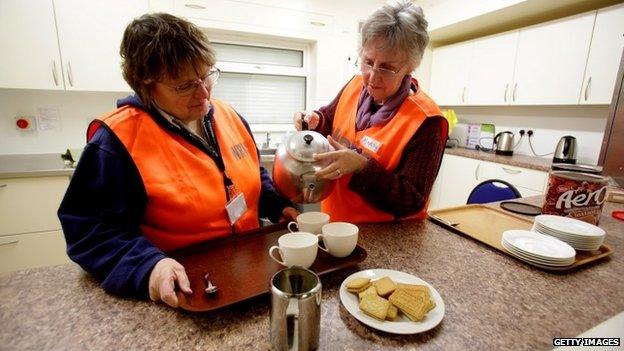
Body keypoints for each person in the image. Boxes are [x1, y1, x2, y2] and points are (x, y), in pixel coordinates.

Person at [58, 13, 298, 308]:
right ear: (145, 85)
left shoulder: (230, 115)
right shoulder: (116, 142)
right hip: (185, 290)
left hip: (249, 277)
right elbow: (90, 232)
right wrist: (149, 268)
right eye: (184, 86)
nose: (203, 93)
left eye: (207, 75)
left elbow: (247, 176)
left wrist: (277, 206)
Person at [294, 0, 447, 223]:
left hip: (385, 240)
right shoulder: (355, 85)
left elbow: (412, 200)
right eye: (367, 61)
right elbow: (330, 121)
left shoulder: (426, 121)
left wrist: (361, 167)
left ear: (410, 67)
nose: (372, 77)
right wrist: (315, 121)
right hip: (336, 224)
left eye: (386, 67)